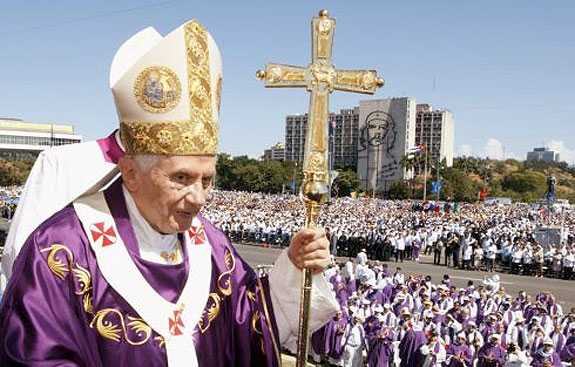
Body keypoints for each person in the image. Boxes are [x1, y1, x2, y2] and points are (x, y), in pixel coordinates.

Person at [0, 20, 339, 366]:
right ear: (131, 172)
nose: (199, 198)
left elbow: (250, 324)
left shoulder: (212, 247)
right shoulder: (61, 253)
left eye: (207, 180)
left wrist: (294, 269)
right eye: (181, 178)